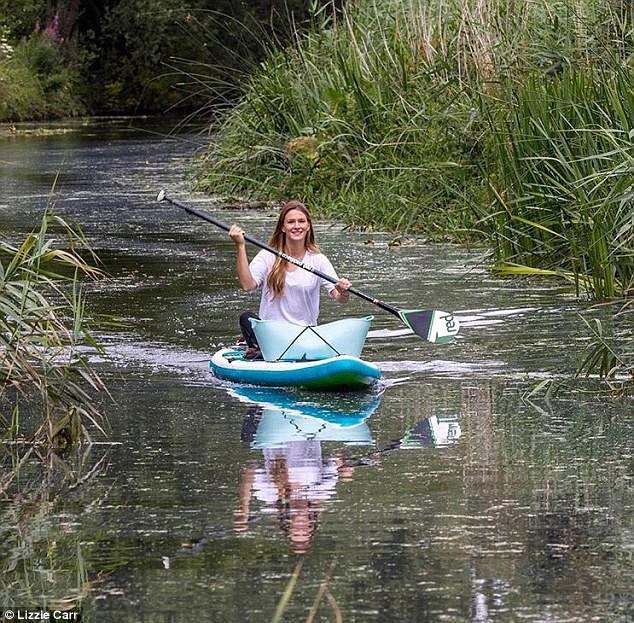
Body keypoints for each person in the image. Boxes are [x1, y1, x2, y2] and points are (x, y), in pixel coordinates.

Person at [228, 200, 351, 359]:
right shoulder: (268, 255)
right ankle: (259, 347)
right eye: (291, 222)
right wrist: (240, 246)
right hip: (271, 335)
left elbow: (339, 297)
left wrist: (343, 291)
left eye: (301, 221)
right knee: (246, 317)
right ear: (283, 227)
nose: (296, 226)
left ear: (308, 226)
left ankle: (258, 349)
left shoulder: (318, 260)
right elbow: (247, 285)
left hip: (305, 336)